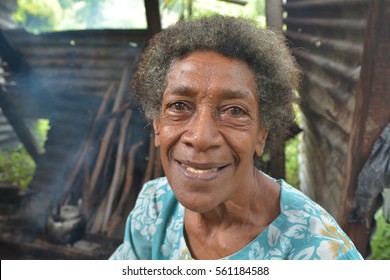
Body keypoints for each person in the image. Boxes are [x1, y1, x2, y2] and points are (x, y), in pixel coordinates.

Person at [110, 15, 363, 260]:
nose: (200, 137)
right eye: (179, 106)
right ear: (157, 124)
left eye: (234, 111)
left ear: (261, 134)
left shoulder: (320, 254)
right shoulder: (155, 207)